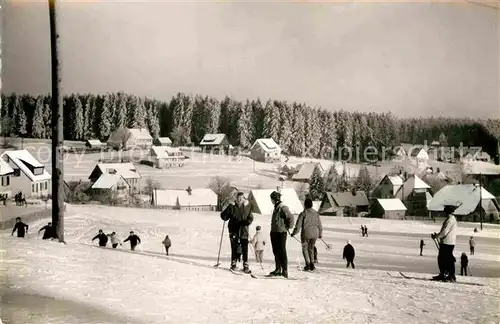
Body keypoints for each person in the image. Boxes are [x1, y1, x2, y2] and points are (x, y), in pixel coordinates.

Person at [220, 192, 253, 273]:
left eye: (241, 197)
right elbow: (224, 217)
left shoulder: (247, 206)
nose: (239, 199)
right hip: (233, 230)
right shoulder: (232, 206)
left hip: (244, 230)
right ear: (236, 198)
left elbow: (251, 217)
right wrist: (225, 212)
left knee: (244, 247)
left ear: (244, 198)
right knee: (234, 247)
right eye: (238, 197)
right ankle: (233, 263)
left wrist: (247, 221)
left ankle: (245, 263)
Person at [291, 198, 323, 271]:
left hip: (306, 233)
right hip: (315, 233)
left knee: (305, 248)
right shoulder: (316, 213)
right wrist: (320, 234)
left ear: (305, 205)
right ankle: (312, 264)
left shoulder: (303, 213)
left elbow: (298, 225)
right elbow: (320, 225)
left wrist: (294, 233)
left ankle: (307, 264)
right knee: (311, 248)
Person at [268, 191, 294, 278]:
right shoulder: (276, 207)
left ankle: (285, 270)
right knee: (275, 251)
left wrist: (288, 227)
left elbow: (291, 217)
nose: (271, 201)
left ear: (274, 199)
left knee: (282, 251)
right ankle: (278, 269)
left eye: (271, 199)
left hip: (281, 233)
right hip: (274, 232)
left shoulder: (283, 208)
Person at [431, 205, 457, 282]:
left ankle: (448, 275)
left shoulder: (450, 220)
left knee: (444, 259)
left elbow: (444, 232)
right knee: (446, 259)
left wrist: (437, 236)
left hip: (447, 242)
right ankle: (446, 274)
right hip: (448, 242)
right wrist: (438, 236)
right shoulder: (451, 219)